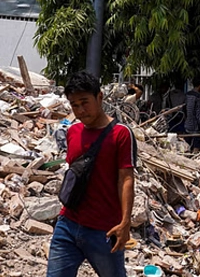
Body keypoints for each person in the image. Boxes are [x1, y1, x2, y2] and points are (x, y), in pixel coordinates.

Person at [46, 71, 136, 277]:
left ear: (99, 97)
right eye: (74, 105)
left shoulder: (121, 134)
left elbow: (126, 179)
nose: (80, 110)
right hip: (68, 224)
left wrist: (125, 223)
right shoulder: (73, 132)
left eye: (85, 102)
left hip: (104, 230)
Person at [184, 77, 200, 151]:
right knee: (196, 146)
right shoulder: (199, 97)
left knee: (186, 146)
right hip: (196, 127)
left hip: (187, 125)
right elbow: (199, 114)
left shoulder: (187, 94)